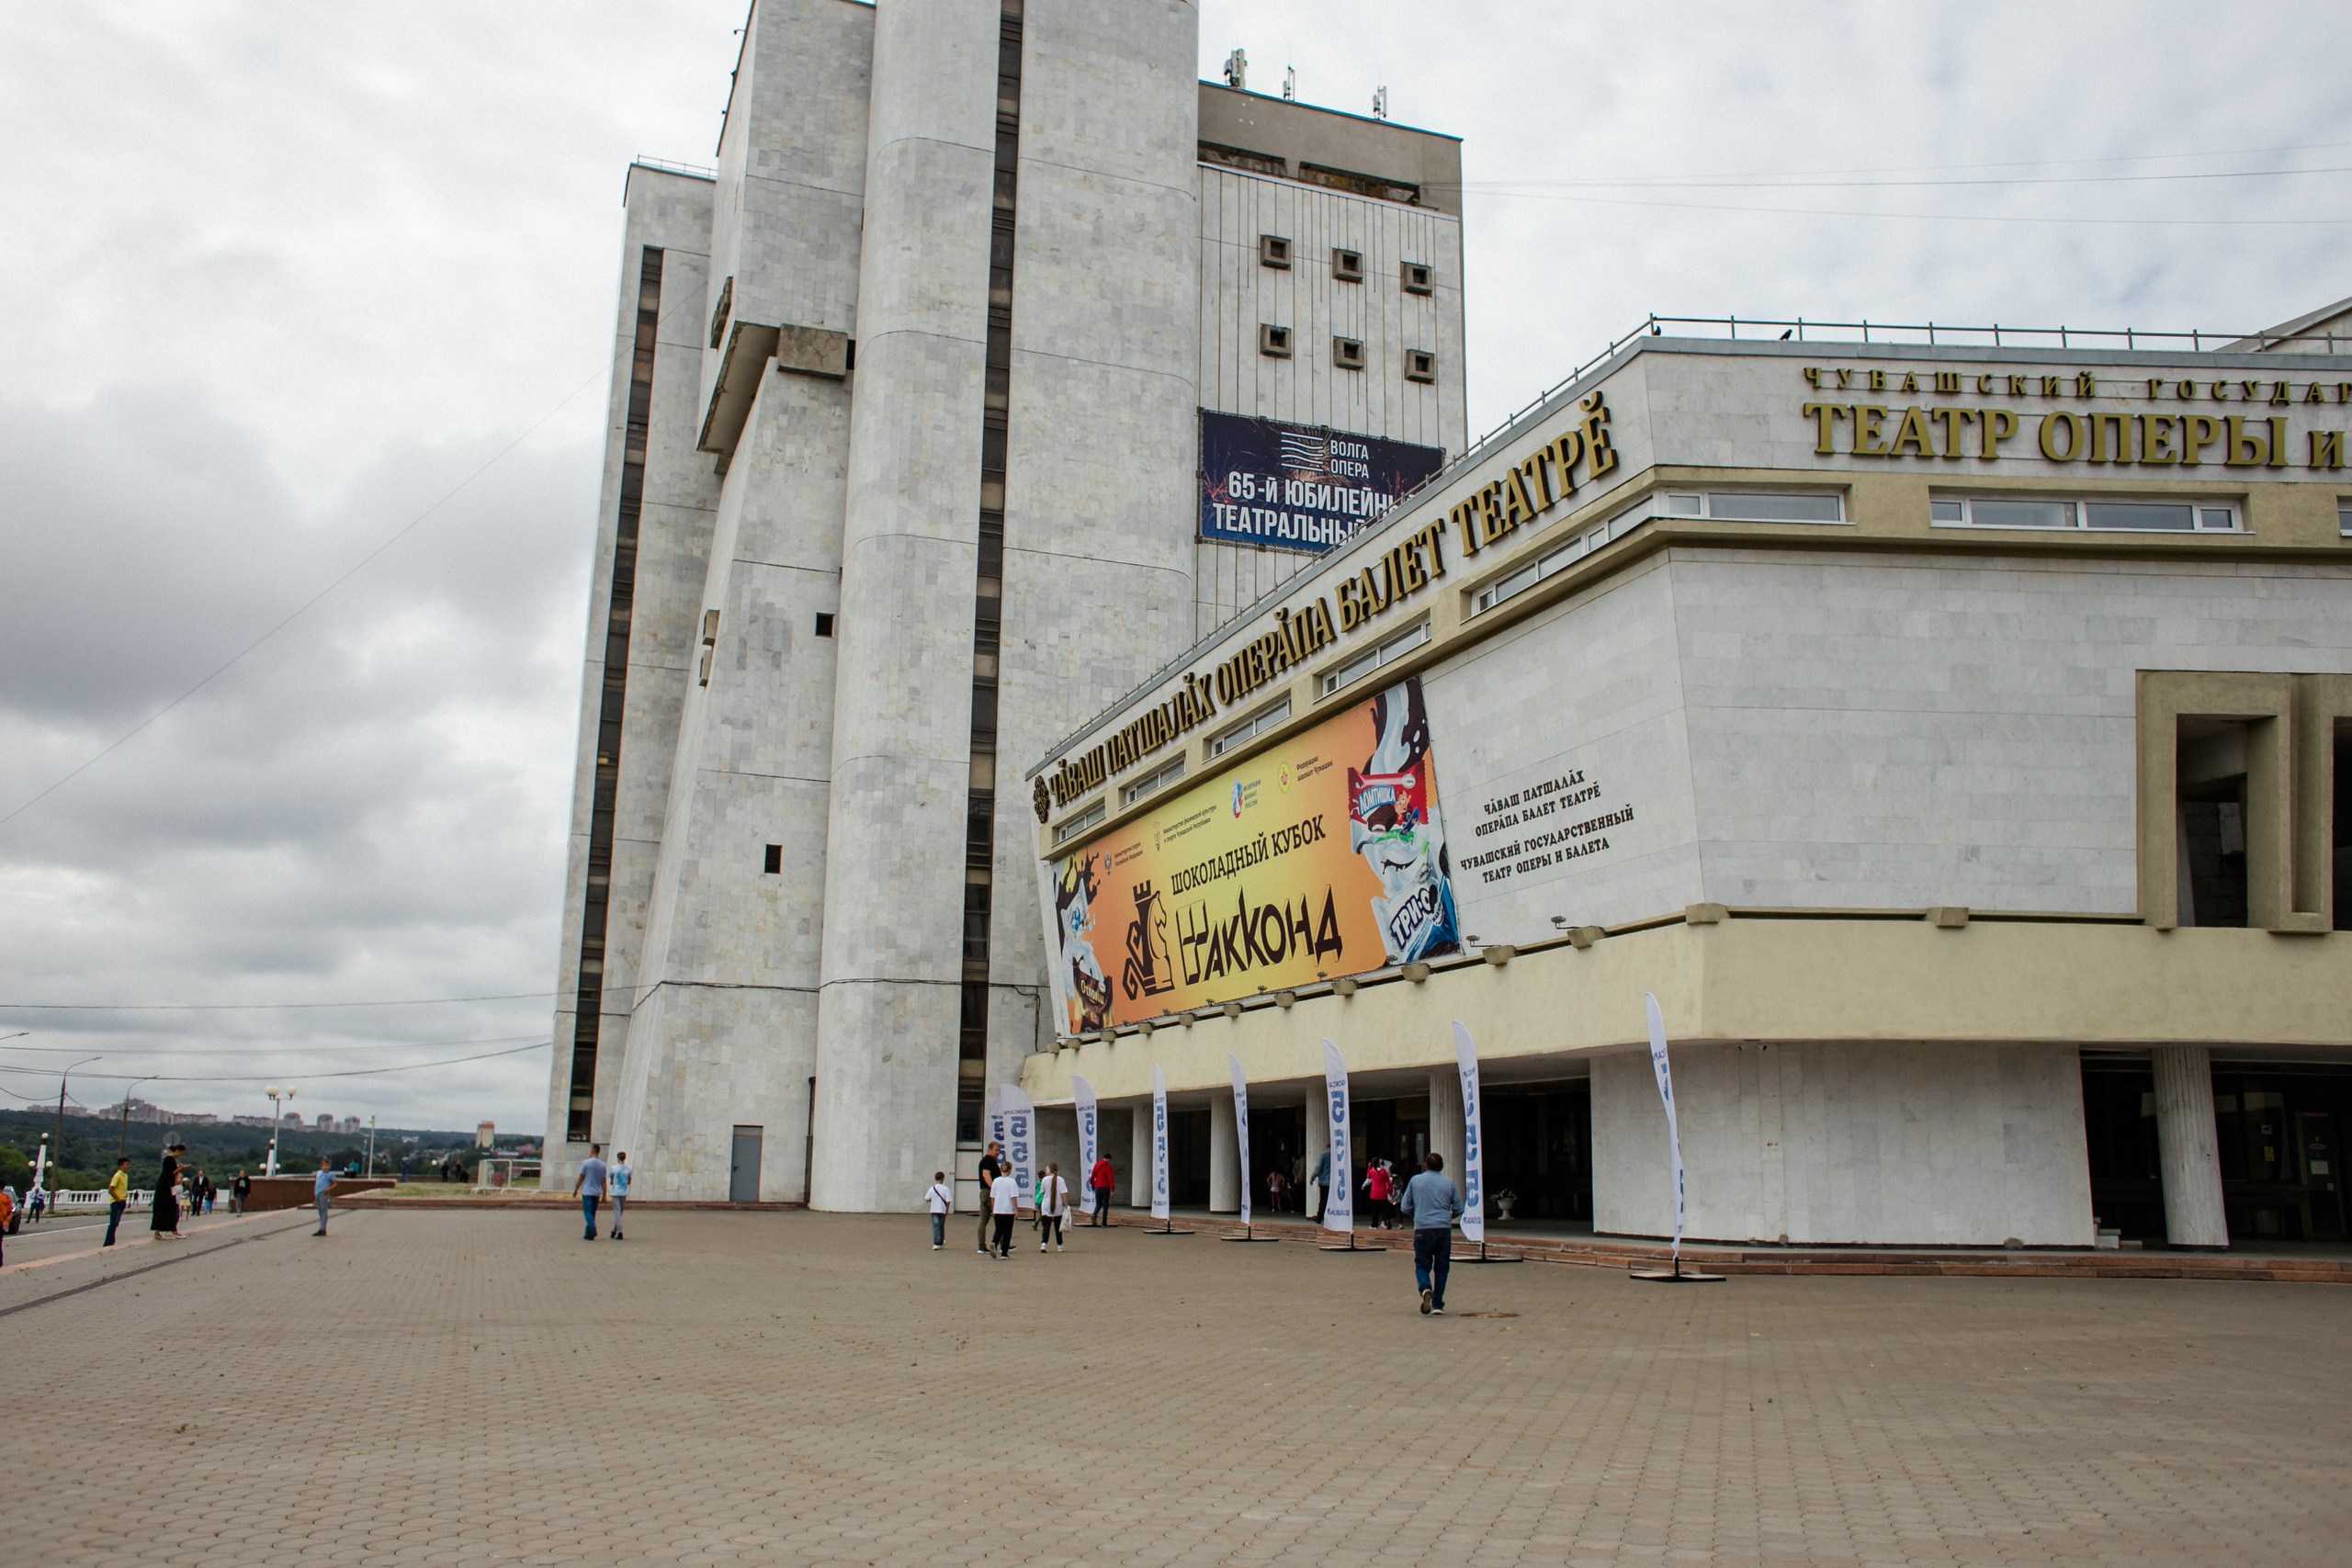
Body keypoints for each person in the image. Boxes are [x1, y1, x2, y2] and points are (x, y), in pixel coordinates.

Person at [1396, 1151, 1465, 1315]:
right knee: (1442, 1267)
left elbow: (1405, 1207)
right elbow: (1458, 1208)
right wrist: (1447, 1217)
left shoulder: (1415, 1181)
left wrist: (1418, 1214)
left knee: (1422, 1264)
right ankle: (1438, 1304)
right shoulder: (1448, 1183)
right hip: (1443, 1229)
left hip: (1422, 1228)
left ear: (1425, 1165)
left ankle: (1425, 1288)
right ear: (1441, 1167)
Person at [571, 1144, 608, 1241]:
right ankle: (588, 1234)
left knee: (587, 1212)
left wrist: (576, 1189)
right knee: (592, 1213)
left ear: (592, 1151)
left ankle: (592, 1229)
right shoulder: (603, 1164)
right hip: (597, 1192)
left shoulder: (586, 1163)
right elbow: (604, 1181)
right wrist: (604, 1194)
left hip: (587, 1191)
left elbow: (581, 1177)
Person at [974, 1141, 1003, 1255]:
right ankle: (1003, 1243)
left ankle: (981, 1246)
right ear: (989, 1149)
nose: (998, 1152)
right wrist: (994, 1189)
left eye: (999, 1150)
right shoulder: (988, 1161)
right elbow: (986, 1174)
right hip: (989, 1193)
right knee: (999, 1218)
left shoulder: (986, 1161)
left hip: (984, 1193)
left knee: (983, 1220)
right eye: (996, 1150)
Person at [988, 1163, 1021, 1259]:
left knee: (999, 1229)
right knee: (1007, 1231)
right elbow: (1013, 1197)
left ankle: (994, 1242)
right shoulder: (1012, 1182)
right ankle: (1004, 1253)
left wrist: (993, 1209)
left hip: (998, 1209)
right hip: (1008, 1210)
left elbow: (992, 1197)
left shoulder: (996, 1181)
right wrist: (1016, 1210)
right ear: (1010, 1170)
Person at [151, 1145, 185, 1240]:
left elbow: (173, 1174)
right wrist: (179, 1169)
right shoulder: (168, 1159)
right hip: (165, 1187)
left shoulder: (171, 1160)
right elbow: (170, 1173)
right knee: (168, 1208)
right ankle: (172, 1231)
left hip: (167, 1187)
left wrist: (178, 1169)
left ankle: (160, 1231)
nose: (180, 1155)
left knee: (165, 1209)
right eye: (181, 1153)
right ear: (177, 1151)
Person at [1036, 1162, 1069, 1253]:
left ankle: (1044, 1244)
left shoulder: (1044, 1180)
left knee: (1046, 1227)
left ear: (1050, 1169)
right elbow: (1063, 1194)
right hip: (1058, 1206)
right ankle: (1060, 1245)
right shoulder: (1061, 1180)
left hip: (1046, 1206)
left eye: (1047, 1168)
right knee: (1058, 1227)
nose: (1046, 1169)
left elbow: (1042, 1192)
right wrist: (1066, 1205)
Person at [103, 1157, 131, 1247]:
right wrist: (118, 1199)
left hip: (122, 1201)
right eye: (126, 1164)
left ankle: (111, 1241)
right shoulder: (118, 1175)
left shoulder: (125, 1176)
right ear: (120, 1166)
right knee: (113, 1222)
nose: (128, 1166)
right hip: (116, 1202)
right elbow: (110, 1189)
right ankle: (108, 1242)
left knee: (116, 1223)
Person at [924, 1170, 954, 1250]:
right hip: (942, 1210)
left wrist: (932, 1200)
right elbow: (948, 1201)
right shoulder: (946, 1189)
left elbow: (927, 1198)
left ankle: (936, 1243)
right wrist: (947, 1210)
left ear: (935, 1179)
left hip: (934, 1210)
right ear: (943, 1179)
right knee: (941, 1226)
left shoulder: (932, 1188)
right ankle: (941, 1241)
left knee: (936, 1226)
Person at [608, 1151, 632, 1240]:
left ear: (618, 1158)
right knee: (620, 1212)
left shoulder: (614, 1168)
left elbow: (611, 1178)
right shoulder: (628, 1169)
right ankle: (614, 1231)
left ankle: (620, 1231)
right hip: (623, 1192)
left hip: (615, 1191)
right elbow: (629, 1181)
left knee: (617, 1212)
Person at [1086, 1153, 1114, 1226]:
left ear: (1103, 1158)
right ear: (1109, 1159)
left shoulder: (1097, 1165)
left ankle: (1094, 1214)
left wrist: (1093, 1186)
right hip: (1105, 1188)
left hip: (1097, 1187)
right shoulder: (1108, 1167)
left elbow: (1092, 1177)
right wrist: (1112, 1189)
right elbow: (1110, 1178)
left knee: (1098, 1204)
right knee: (1105, 1205)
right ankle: (1104, 1223)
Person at [312, 1161, 336, 1235]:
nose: (326, 1167)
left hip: (324, 1193)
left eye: (328, 1166)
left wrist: (328, 1189)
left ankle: (322, 1229)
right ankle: (321, 1227)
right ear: (321, 1166)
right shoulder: (319, 1173)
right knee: (320, 1211)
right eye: (325, 1166)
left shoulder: (330, 1174)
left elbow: (335, 1184)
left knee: (323, 1211)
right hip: (317, 1193)